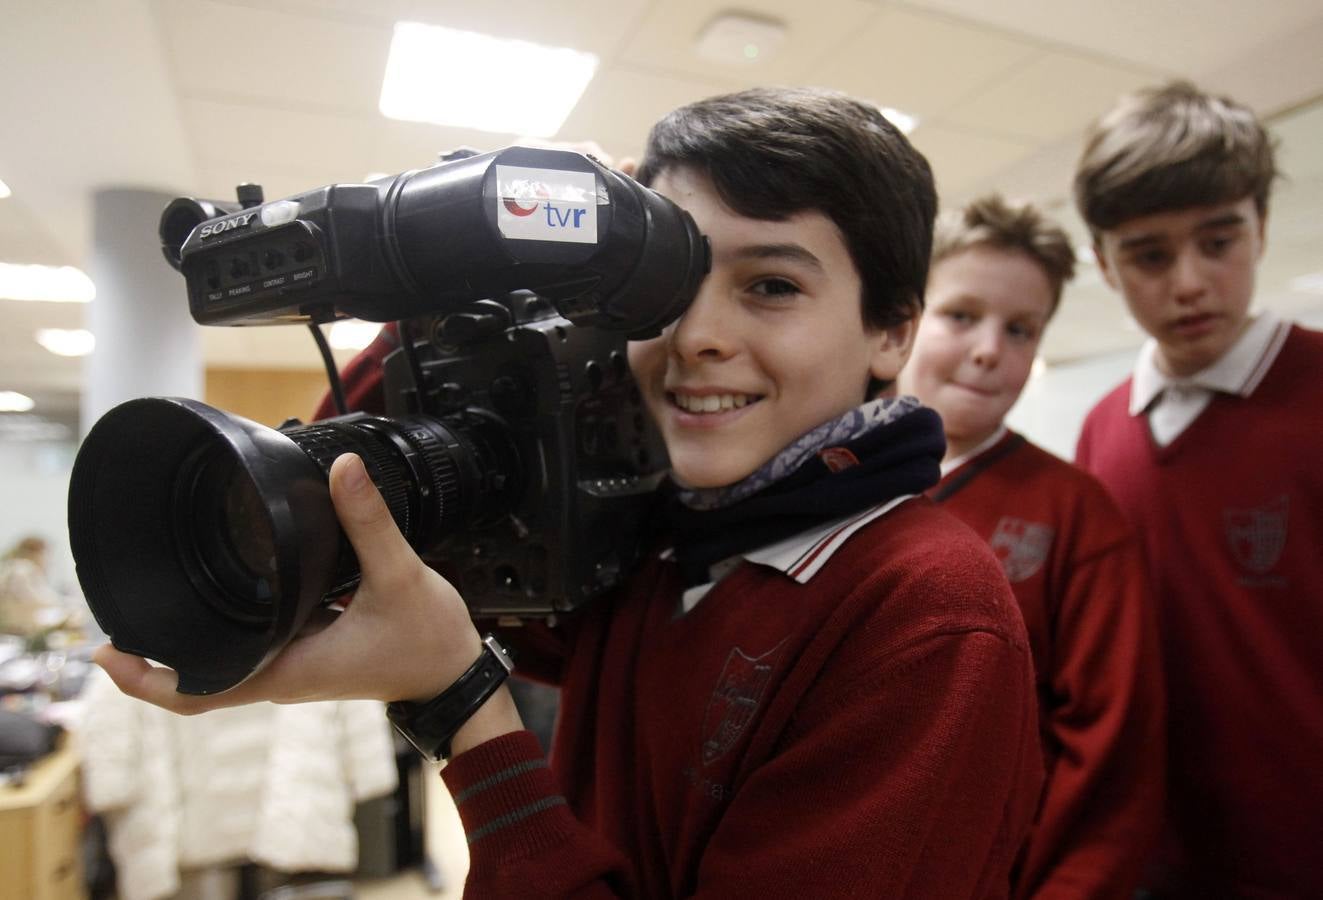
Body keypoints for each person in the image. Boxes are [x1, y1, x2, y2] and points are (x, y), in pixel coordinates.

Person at [95, 87, 1043, 898]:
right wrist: (465, 262)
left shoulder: (926, 616)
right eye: (667, 285)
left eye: (771, 287)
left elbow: (444, 650)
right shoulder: (671, 535)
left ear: (891, 331)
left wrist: (461, 704)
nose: (697, 336)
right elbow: (374, 499)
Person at [1072, 81, 1323, 898]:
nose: (1188, 283)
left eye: (1218, 242)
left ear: (1260, 227)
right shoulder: (1101, 430)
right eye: (1149, 256)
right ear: (1104, 264)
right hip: (1152, 856)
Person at [896, 195, 1165, 900]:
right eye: (961, 315)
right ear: (906, 315)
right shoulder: (823, 477)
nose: (990, 349)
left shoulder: (1076, 515)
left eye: (1020, 330)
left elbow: (1113, 750)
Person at [0, 535, 67, 637]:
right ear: (37, 553)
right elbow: (36, 599)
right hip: (20, 627)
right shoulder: (23, 569)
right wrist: (65, 604)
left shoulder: (13, 566)